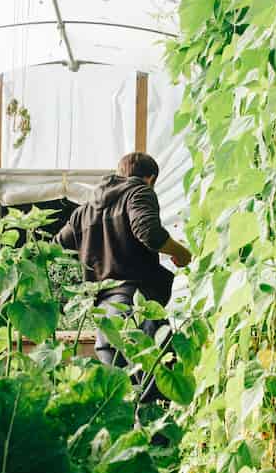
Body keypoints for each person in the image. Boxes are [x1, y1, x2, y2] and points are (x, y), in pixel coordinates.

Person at [55, 153, 192, 396]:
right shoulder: (139, 192)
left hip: (105, 320)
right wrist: (180, 252)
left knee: (122, 401)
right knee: (154, 398)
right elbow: (148, 232)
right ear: (149, 179)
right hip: (136, 312)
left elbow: (56, 247)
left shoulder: (85, 210)